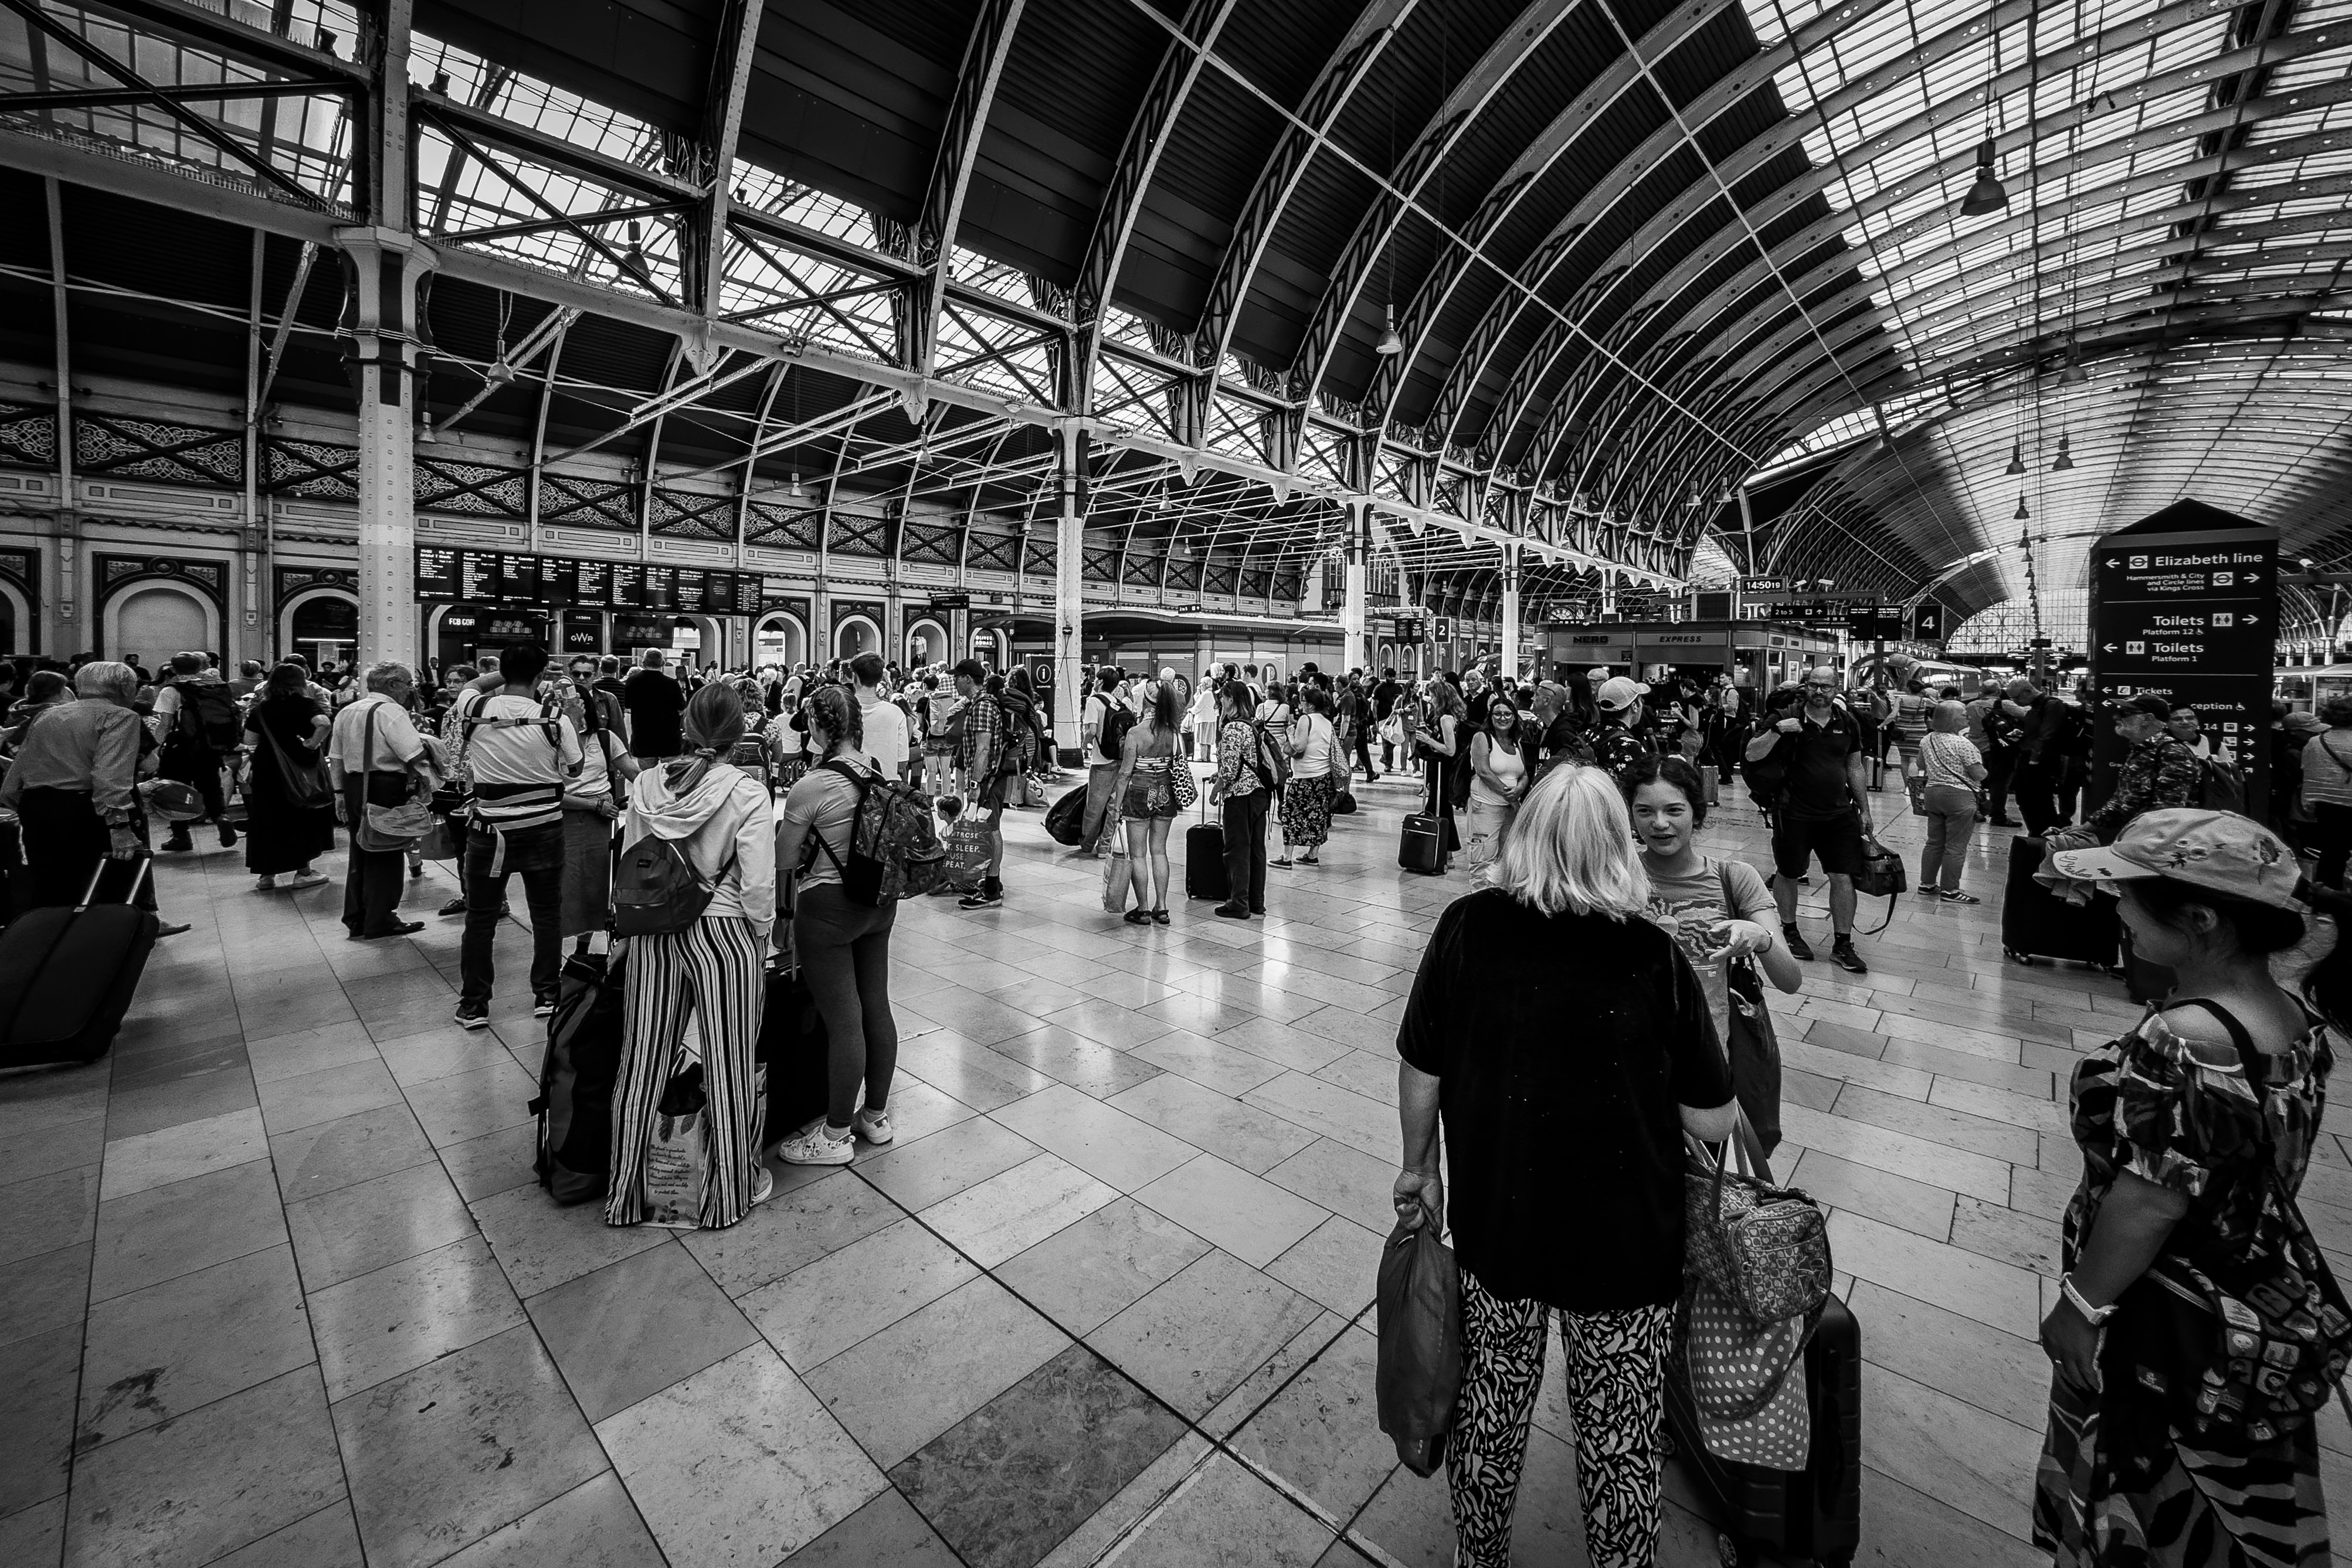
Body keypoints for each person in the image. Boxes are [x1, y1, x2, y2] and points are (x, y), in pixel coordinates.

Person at [1394, 763, 1736, 1568]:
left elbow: (1420, 1067)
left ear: (1525, 835)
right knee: (1620, 1434)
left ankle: (1478, 1556)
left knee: (1489, 1405)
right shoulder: (1653, 954)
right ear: (1617, 844)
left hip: (1498, 1227)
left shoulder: (1465, 927)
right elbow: (1712, 1116)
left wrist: (1422, 1169)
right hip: (1626, 1247)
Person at [2034, 809, 2350, 1567]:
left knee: (2149, 1502)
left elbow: (2149, 1200)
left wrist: (2080, 1305)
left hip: (2163, 1312)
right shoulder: (2292, 1020)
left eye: (2131, 897)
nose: (2117, 909)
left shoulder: (2183, 1038)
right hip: (2246, 1292)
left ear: (2201, 920)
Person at [607, 684, 776, 1227]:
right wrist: (762, 934)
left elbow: (632, 862)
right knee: (729, 1064)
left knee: (642, 1058)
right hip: (724, 932)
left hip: (654, 929)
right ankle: (727, 1194)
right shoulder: (746, 792)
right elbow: (757, 885)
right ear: (739, 733)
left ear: (686, 726)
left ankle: (627, 1194)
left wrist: (625, 933)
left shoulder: (646, 785)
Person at [1623, 751, 1800, 1148]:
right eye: (1644, 811)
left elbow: (1790, 979)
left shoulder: (1735, 878)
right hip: (1628, 1062)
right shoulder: (1615, 875)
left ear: (1696, 813)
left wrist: (1761, 938)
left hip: (1704, 1065)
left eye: (1674, 810)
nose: (1659, 823)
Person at [772, 685, 902, 1165]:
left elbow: (784, 859)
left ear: (816, 726)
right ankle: (875, 1116)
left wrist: (783, 916)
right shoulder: (876, 770)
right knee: (876, 1008)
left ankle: (834, 1135)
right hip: (878, 904)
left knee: (844, 1022)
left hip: (828, 910)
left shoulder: (812, 785)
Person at [0, 662, 184, 934]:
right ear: (123, 688)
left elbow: (18, 770)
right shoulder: (120, 717)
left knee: (51, 882)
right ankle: (113, 937)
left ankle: (49, 939)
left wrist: (25, 803)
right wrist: (120, 826)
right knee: (111, 880)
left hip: (37, 805)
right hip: (88, 809)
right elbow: (110, 776)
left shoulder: (48, 715)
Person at [1745, 666, 1877, 974]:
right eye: (1813, 685)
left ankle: (1843, 944)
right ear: (1806, 687)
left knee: (1843, 877)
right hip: (1793, 812)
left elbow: (1854, 767)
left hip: (1839, 814)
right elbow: (1752, 754)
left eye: (1826, 686)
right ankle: (1790, 931)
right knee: (1789, 873)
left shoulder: (1847, 722)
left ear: (1836, 688)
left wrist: (1865, 810)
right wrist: (1777, 731)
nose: (1819, 691)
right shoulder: (1784, 717)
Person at [327, 661, 432, 941]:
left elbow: (336, 757)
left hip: (353, 785)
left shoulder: (347, 711)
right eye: (408, 684)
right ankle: (381, 919)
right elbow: (412, 753)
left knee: (360, 849)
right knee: (386, 852)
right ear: (392, 685)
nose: (410, 689)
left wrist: (338, 793)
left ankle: (357, 918)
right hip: (385, 785)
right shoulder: (391, 712)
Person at [2045, 694, 2202, 853]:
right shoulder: (2141, 750)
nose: (2116, 717)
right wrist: (2087, 827)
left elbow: (2167, 814)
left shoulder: (2172, 753)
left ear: (2147, 719)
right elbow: (2123, 800)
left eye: (2125, 713)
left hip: (2154, 848)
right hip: (2133, 839)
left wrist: (2128, 846)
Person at [241, 661, 334, 892]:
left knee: (266, 819)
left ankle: (266, 876)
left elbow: (250, 740)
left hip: (268, 767)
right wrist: (311, 744)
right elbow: (324, 724)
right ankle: (304, 872)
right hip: (299, 766)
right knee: (299, 819)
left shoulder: (261, 709)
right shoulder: (306, 704)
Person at [148, 651, 240, 853]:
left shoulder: (172, 691)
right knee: (211, 786)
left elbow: (165, 724)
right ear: (200, 667)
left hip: (179, 747)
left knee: (176, 790)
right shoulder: (216, 687)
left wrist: (156, 749)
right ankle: (221, 817)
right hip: (208, 746)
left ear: (173, 669)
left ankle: (181, 836)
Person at [1111, 674, 1183, 924]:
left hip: (1139, 791)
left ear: (1145, 701)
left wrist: (1116, 806)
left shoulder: (1135, 733)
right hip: (1165, 790)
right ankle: (1161, 907)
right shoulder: (1173, 732)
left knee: (1139, 854)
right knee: (1160, 851)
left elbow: (1124, 773)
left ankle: (1142, 909)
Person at [1207, 680, 1270, 919]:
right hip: (1259, 793)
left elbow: (1230, 770)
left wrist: (1216, 790)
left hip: (1240, 797)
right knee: (1256, 849)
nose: (1221, 702)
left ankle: (1238, 903)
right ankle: (1256, 902)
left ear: (1231, 699)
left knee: (1237, 849)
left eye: (1223, 698)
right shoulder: (1251, 725)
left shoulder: (1233, 728)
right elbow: (1246, 761)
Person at [948, 659, 1007, 909]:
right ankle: (991, 881)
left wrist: (975, 783)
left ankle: (992, 890)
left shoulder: (983, 706)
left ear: (967, 679)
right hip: (988, 779)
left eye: (957, 678)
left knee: (992, 829)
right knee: (988, 828)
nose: (954, 682)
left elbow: (983, 749)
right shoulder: (978, 704)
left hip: (987, 780)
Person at [1917, 699, 1990, 903]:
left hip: (1933, 794)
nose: (1968, 717)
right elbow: (1979, 775)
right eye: (1963, 715)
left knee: (1934, 842)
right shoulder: (1963, 744)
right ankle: (1950, 890)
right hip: (1959, 798)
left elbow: (1921, 764)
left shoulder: (1927, 740)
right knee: (1955, 846)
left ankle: (1926, 884)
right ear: (1951, 719)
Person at [1275, 684, 1338, 868]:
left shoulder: (1306, 719)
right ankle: (1312, 855)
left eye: (1303, 701)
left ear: (1310, 705)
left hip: (1305, 777)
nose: (1300, 705)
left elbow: (1299, 746)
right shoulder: (1327, 722)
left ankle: (1287, 857)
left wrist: (1290, 734)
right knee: (1318, 815)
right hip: (1323, 776)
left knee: (1291, 814)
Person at [1464, 690, 1529, 867]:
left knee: (1507, 861)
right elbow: (1483, 771)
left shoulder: (1515, 742)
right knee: (1481, 861)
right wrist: (1511, 797)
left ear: (1514, 717)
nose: (1503, 718)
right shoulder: (1482, 738)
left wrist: (1519, 789)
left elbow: (1523, 773)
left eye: (1507, 714)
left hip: (1509, 810)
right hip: (1485, 808)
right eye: (1498, 714)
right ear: (1490, 716)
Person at [1414, 673, 1468, 866]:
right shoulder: (1449, 717)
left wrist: (1428, 740)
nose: (1431, 700)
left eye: (1433, 697)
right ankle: (1446, 852)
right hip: (1441, 768)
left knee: (1439, 808)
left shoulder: (1446, 718)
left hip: (1443, 769)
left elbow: (1450, 749)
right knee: (1439, 807)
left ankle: (1446, 852)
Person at [2300, 695, 2352, 887]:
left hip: (2326, 806)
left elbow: (2309, 774)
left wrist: (2308, 803)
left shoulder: (2315, 742)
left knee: (2332, 852)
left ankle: (2324, 895)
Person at [1080, 666, 1128, 853]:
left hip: (1102, 762)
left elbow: (1092, 730)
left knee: (1095, 807)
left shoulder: (1094, 701)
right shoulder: (1119, 704)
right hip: (1121, 761)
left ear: (1100, 682)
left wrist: (1084, 744)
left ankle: (1087, 843)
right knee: (1114, 806)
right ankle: (1105, 846)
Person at [850, 652, 908, 787]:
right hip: (885, 786)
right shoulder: (896, 712)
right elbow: (902, 762)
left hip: (848, 785)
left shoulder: (841, 710)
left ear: (855, 677)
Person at [623, 647, 686, 761]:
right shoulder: (672, 684)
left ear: (643, 662)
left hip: (643, 739)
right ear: (663, 662)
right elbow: (681, 708)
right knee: (669, 771)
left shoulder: (632, 681)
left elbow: (628, 706)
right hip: (669, 740)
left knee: (647, 772)